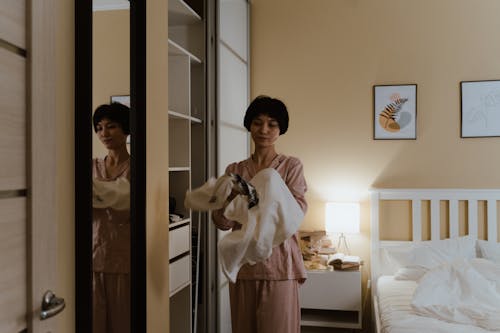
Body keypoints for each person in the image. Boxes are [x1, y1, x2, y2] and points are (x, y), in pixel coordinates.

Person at [212, 95, 308, 333]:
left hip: (280, 266)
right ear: (249, 125)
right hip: (244, 265)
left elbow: (294, 215)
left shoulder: (290, 167)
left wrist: (249, 195)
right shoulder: (234, 170)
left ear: (280, 129)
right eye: (257, 122)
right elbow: (222, 221)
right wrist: (233, 197)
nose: (264, 129)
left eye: (272, 124)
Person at [92, 103, 131, 333]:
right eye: (99, 128)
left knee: (122, 325)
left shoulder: (137, 168)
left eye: (111, 126)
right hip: (94, 259)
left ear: (126, 129)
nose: (104, 133)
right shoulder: (91, 167)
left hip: (124, 262)